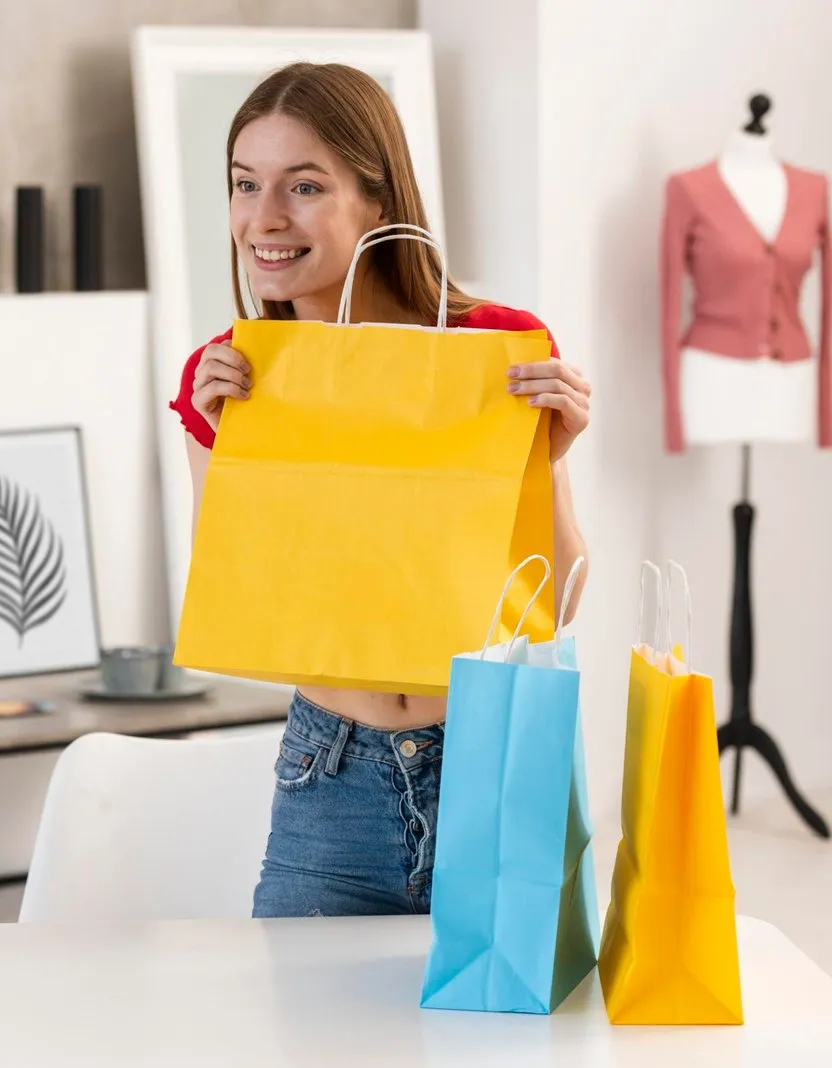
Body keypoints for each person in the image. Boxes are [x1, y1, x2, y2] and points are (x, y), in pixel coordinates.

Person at [167, 62, 593, 919]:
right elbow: (254, 603)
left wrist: (549, 453)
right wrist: (223, 436)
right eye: (245, 184)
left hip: (491, 757)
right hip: (330, 781)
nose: (264, 219)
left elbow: (560, 597)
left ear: (377, 197)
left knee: (503, 1050)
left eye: (305, 186)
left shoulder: (496, 349)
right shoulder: (233, 375)